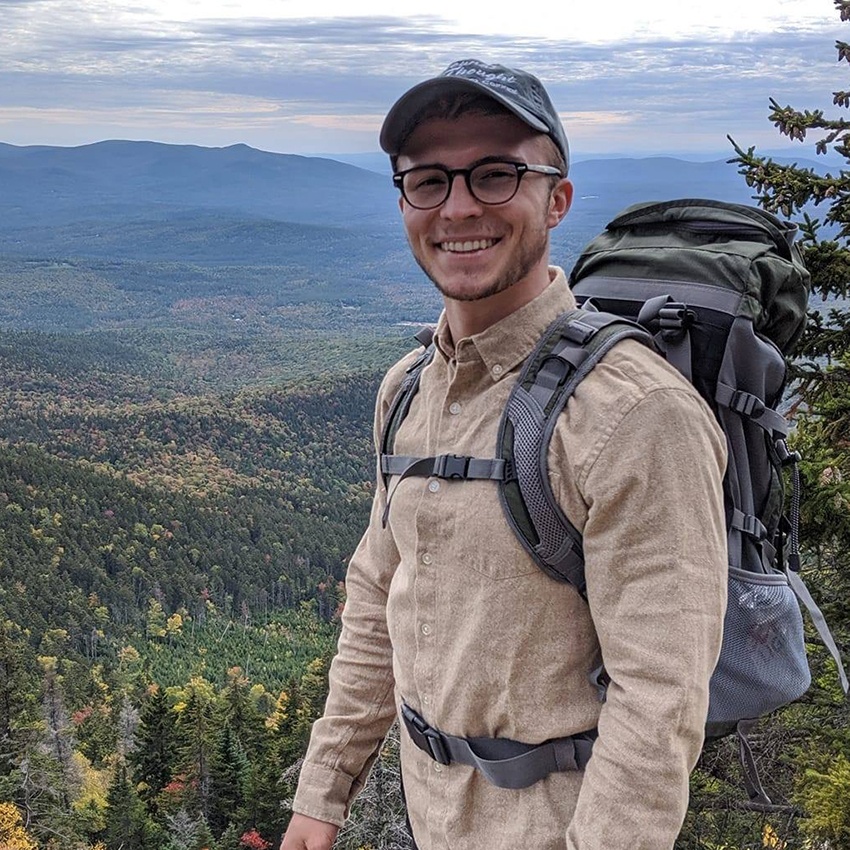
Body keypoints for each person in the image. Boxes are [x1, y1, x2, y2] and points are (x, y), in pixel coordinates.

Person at [281, 59, 727, 850]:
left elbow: (659, 702)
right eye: (429, 181)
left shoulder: (635, 413)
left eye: (496, 175)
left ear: (557, 199)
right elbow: (379, 598)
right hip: (432, 818)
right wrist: (321, 794)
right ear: (404, 203)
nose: (458, 207)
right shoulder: (407, 389)